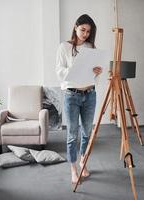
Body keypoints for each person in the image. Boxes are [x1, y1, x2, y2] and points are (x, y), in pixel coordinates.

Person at [55, 14, 103, 184]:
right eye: (82, 29)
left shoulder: (91, 47)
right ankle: (73, 169)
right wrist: (74, 69)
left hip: (90, 94)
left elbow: (93, 77)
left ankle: (84, 160)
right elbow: (59, 71)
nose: (85, 34)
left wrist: (97, 73)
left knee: (87, 132)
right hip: (71, 96)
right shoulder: (64, 47)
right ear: (75, 27)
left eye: (88, 31)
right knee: (72, 134)